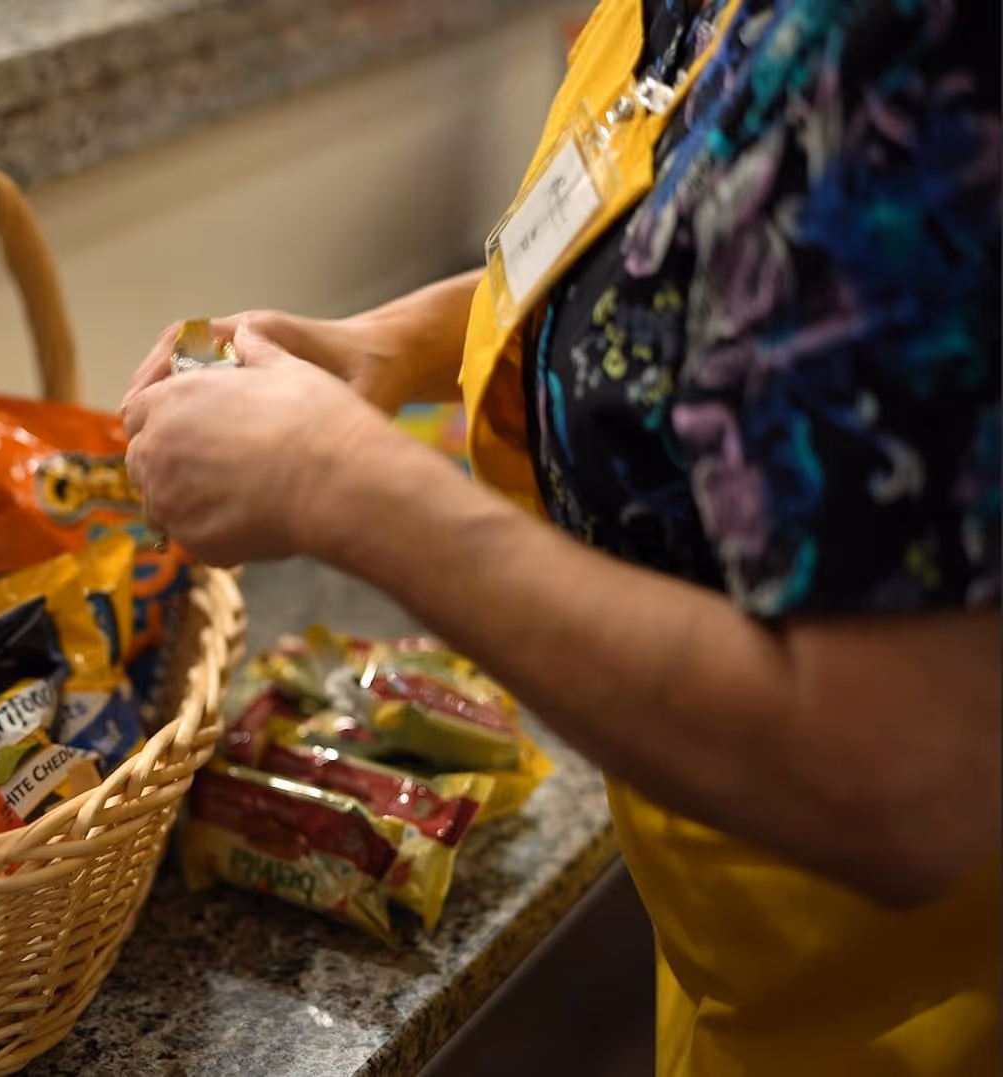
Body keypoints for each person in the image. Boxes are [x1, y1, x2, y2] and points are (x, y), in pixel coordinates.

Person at [120, 0, 1000, 1072]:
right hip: (750, 964)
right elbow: (688, 264)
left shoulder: (911, 43)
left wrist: (338, 481)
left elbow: (898, 786)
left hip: (916, 1007)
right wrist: (390, 345)